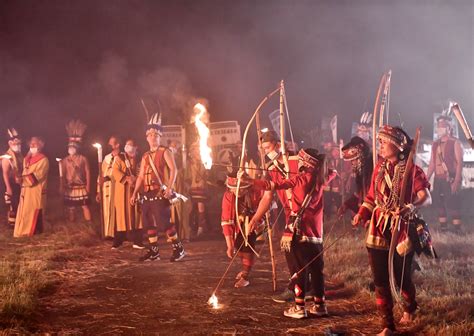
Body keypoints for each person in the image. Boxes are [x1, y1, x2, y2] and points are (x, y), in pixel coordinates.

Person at [352, 125, 431, 336]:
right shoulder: (379, 168)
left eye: (383, 142)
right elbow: (371, 198)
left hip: (402, 228)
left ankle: (409, 306)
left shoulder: (412, 170)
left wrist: (410, 206)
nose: (380, 145)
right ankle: (387, 325)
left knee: (401, 276)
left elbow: (426, 197)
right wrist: (362, 213)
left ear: (397, 145)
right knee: (379, 277)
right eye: (379, 142)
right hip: (378, 227)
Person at [248, 148, 333, 318]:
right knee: (317, 269)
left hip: (299, 231)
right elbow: (332, 172)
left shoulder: (301, 179)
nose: (298, 162)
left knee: (298, 270)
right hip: (316, 233)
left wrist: (251, 182)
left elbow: (273, 185)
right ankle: (320, 305)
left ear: (306, 163)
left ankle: (300, 308)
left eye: (301, 160)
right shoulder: (321, 178)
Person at [130, 113, 185, 262]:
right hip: (146, 194)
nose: (153, 137)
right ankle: (154, 252)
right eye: (150, 134)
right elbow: (141, 176)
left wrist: (169, 188)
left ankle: (179, 249)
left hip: (159, 192)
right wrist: (135, 192)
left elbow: (174, 170)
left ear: (160, 136)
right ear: (146, 137)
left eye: (156, 134)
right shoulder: (145, 155)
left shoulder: (165, 151)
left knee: (164, 223)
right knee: (148, 224)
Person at [221, 172, 262, 288]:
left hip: (253, 222)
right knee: (238, 246)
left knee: (247, 246)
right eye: (233, 189)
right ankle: (245, 268)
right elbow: (226, 220)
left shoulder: (256, 192)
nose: (237, 192)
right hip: (238, 225)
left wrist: (254, 221)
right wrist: (229, 245)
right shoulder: (228, 196)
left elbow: (262, 207)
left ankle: (245, 276)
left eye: (240, 189)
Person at [426, 115, 463, 232]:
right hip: (438, 179)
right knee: (439, 202)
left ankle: (457, 229)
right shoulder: (435, 144)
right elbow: (432, 163)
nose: (439, 129)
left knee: (453, 203)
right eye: (438, 126)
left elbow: (460, 163)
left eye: (442, 126)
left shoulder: (455, 143)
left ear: (449, 128)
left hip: (450, 178)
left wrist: (457, 180)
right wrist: (426, 179)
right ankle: (444, 228)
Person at [110, 139, 144, 249]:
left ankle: (137, 241)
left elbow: (143, 172)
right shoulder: (119, 158)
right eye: (127, 145)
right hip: (122, 191)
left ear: (136, 147)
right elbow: (115, 171)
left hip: (136, 190)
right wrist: (126, 178)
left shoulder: (141, 158)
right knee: (121, 216)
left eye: (131, 145)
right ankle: (118, 241)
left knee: (137, 216)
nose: (128, 147)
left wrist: (137, 180)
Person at [14, 137, 49, 237]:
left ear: (40, 145)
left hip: (36, 191)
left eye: (35, 144)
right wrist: (18, 177)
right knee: (24, 211)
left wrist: (22, 179)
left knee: (33, 211)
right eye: (31, 144)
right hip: (25, 190)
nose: (32, 145)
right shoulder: (27, 159)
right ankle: (21, 231)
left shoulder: (43, 160)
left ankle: (34, 232)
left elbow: (38, 175)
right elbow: (25, 173)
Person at [61, 120, 91, 222]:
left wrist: (88, 186)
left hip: (81, 185)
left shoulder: (83, 158)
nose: (70, 149)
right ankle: (71, 224)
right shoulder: (64, 160)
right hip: (70, 186)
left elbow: (87, 172)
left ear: (77, 148)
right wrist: (62, 185)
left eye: (72, 147)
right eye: (69, 147)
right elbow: (62, 174)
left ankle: (88, 223)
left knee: (85, 206)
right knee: (71, 208)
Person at [337, 136, 373, 217]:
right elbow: (360, 195)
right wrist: (346, 205)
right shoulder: (362, 172)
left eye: (354, 160)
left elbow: (371, 198)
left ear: (361, 158)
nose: (352, 163)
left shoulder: (373, 170)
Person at [96, 136, 121, 238]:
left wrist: (109, 178)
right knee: (106, 211)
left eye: (111, 143)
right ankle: (108, 233)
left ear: (117, 145)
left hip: (117, 188)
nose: (109, 145)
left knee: (117, 212)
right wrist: (98, 191)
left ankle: (119, 234)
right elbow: (100, 175)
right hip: (106, 189)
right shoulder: (106, 158)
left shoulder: (122, 157)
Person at [187, 142, 209, 238]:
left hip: (200, 187)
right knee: (190, 208)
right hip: (191, 187)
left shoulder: (204, 161)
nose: (197, 152)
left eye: (198, 150)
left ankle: (201, 228)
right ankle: (191, 227)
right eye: (195, 150)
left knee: (201, 208)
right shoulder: (189, 163)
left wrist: (207, 171)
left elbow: (207, 174)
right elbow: (186, 174)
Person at [2, 128, 23, 227]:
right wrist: (8, 187)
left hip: (18, 182)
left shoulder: (19, 155)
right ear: (10, 144)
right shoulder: (7, 157)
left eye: (19, 144)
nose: (18, 146)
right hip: (11, 183)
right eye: (15, 144)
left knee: (18, 202)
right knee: (12, 204)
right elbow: (5, 173)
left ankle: (19, 222)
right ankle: (12, 225)